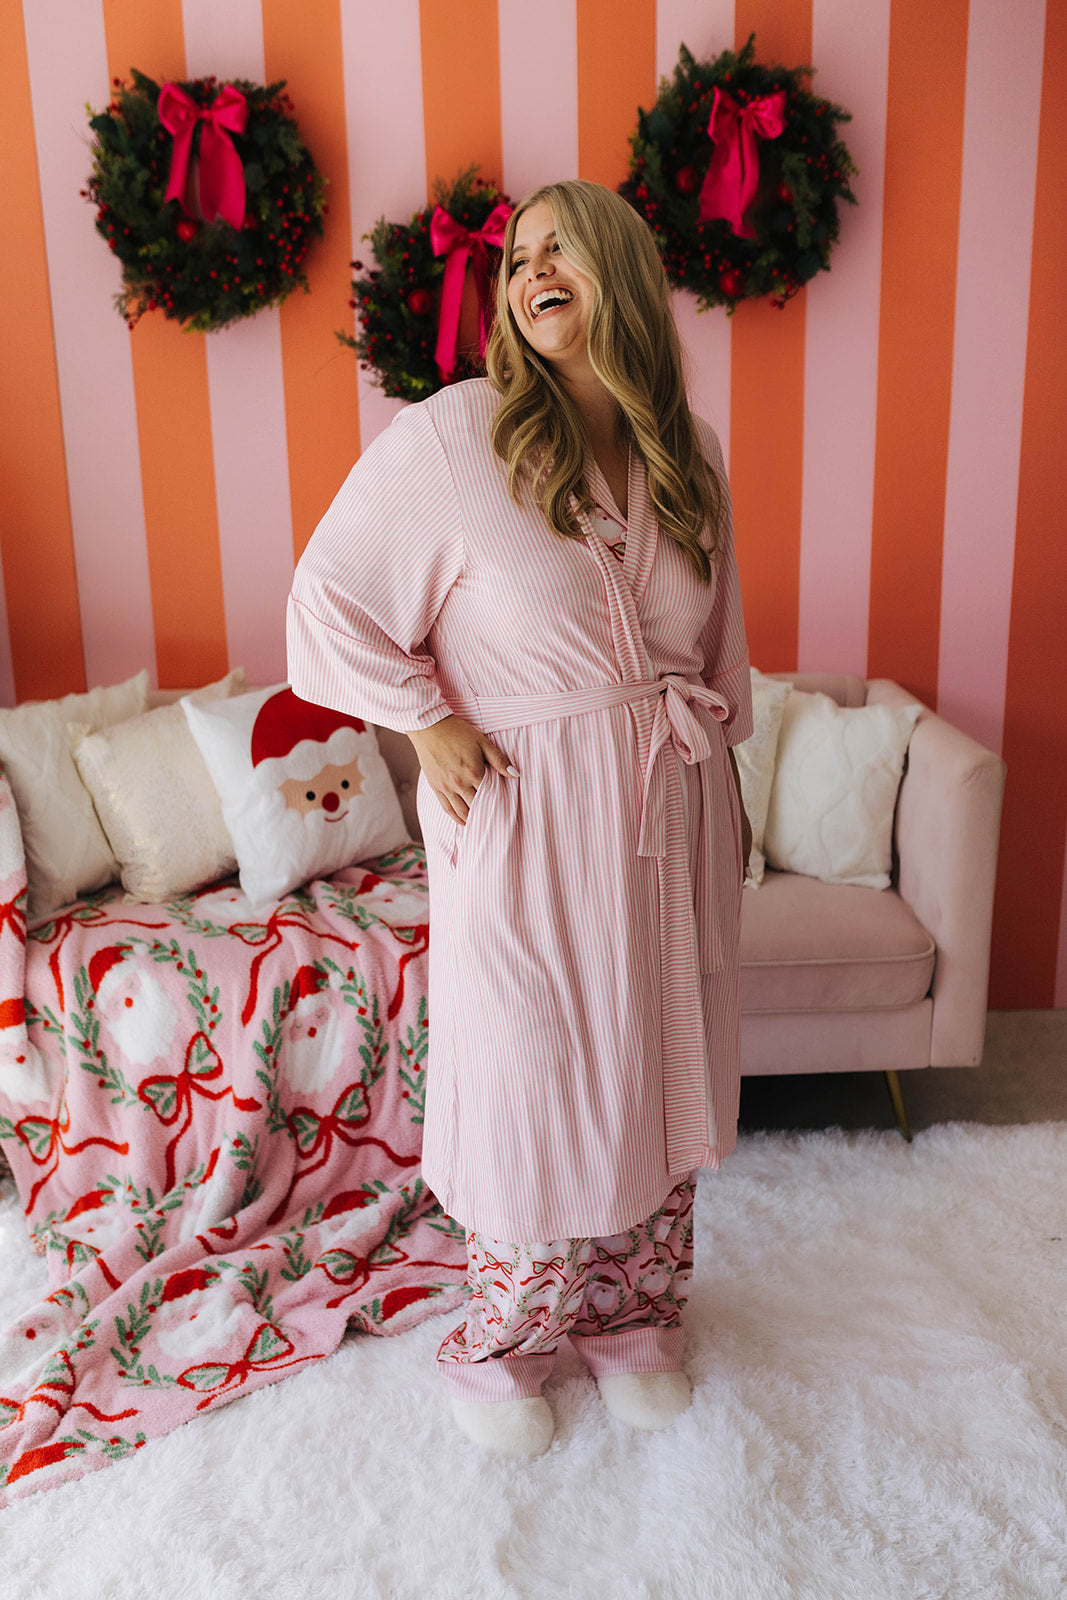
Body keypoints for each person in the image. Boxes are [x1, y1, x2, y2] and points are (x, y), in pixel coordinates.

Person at [287, 179, 752, 1459]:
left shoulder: (688, 448)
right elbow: (327, 599)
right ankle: (507, 1344)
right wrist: (420, 715)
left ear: (620, 268)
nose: (531, 268)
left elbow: (717, 644)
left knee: (660, 1058)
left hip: (672, 799)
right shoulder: (458, 436)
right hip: (525, 816)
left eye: (560, 247)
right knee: (538, 1073)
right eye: (515, 257)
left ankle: (635, 1322)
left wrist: (733, 790)